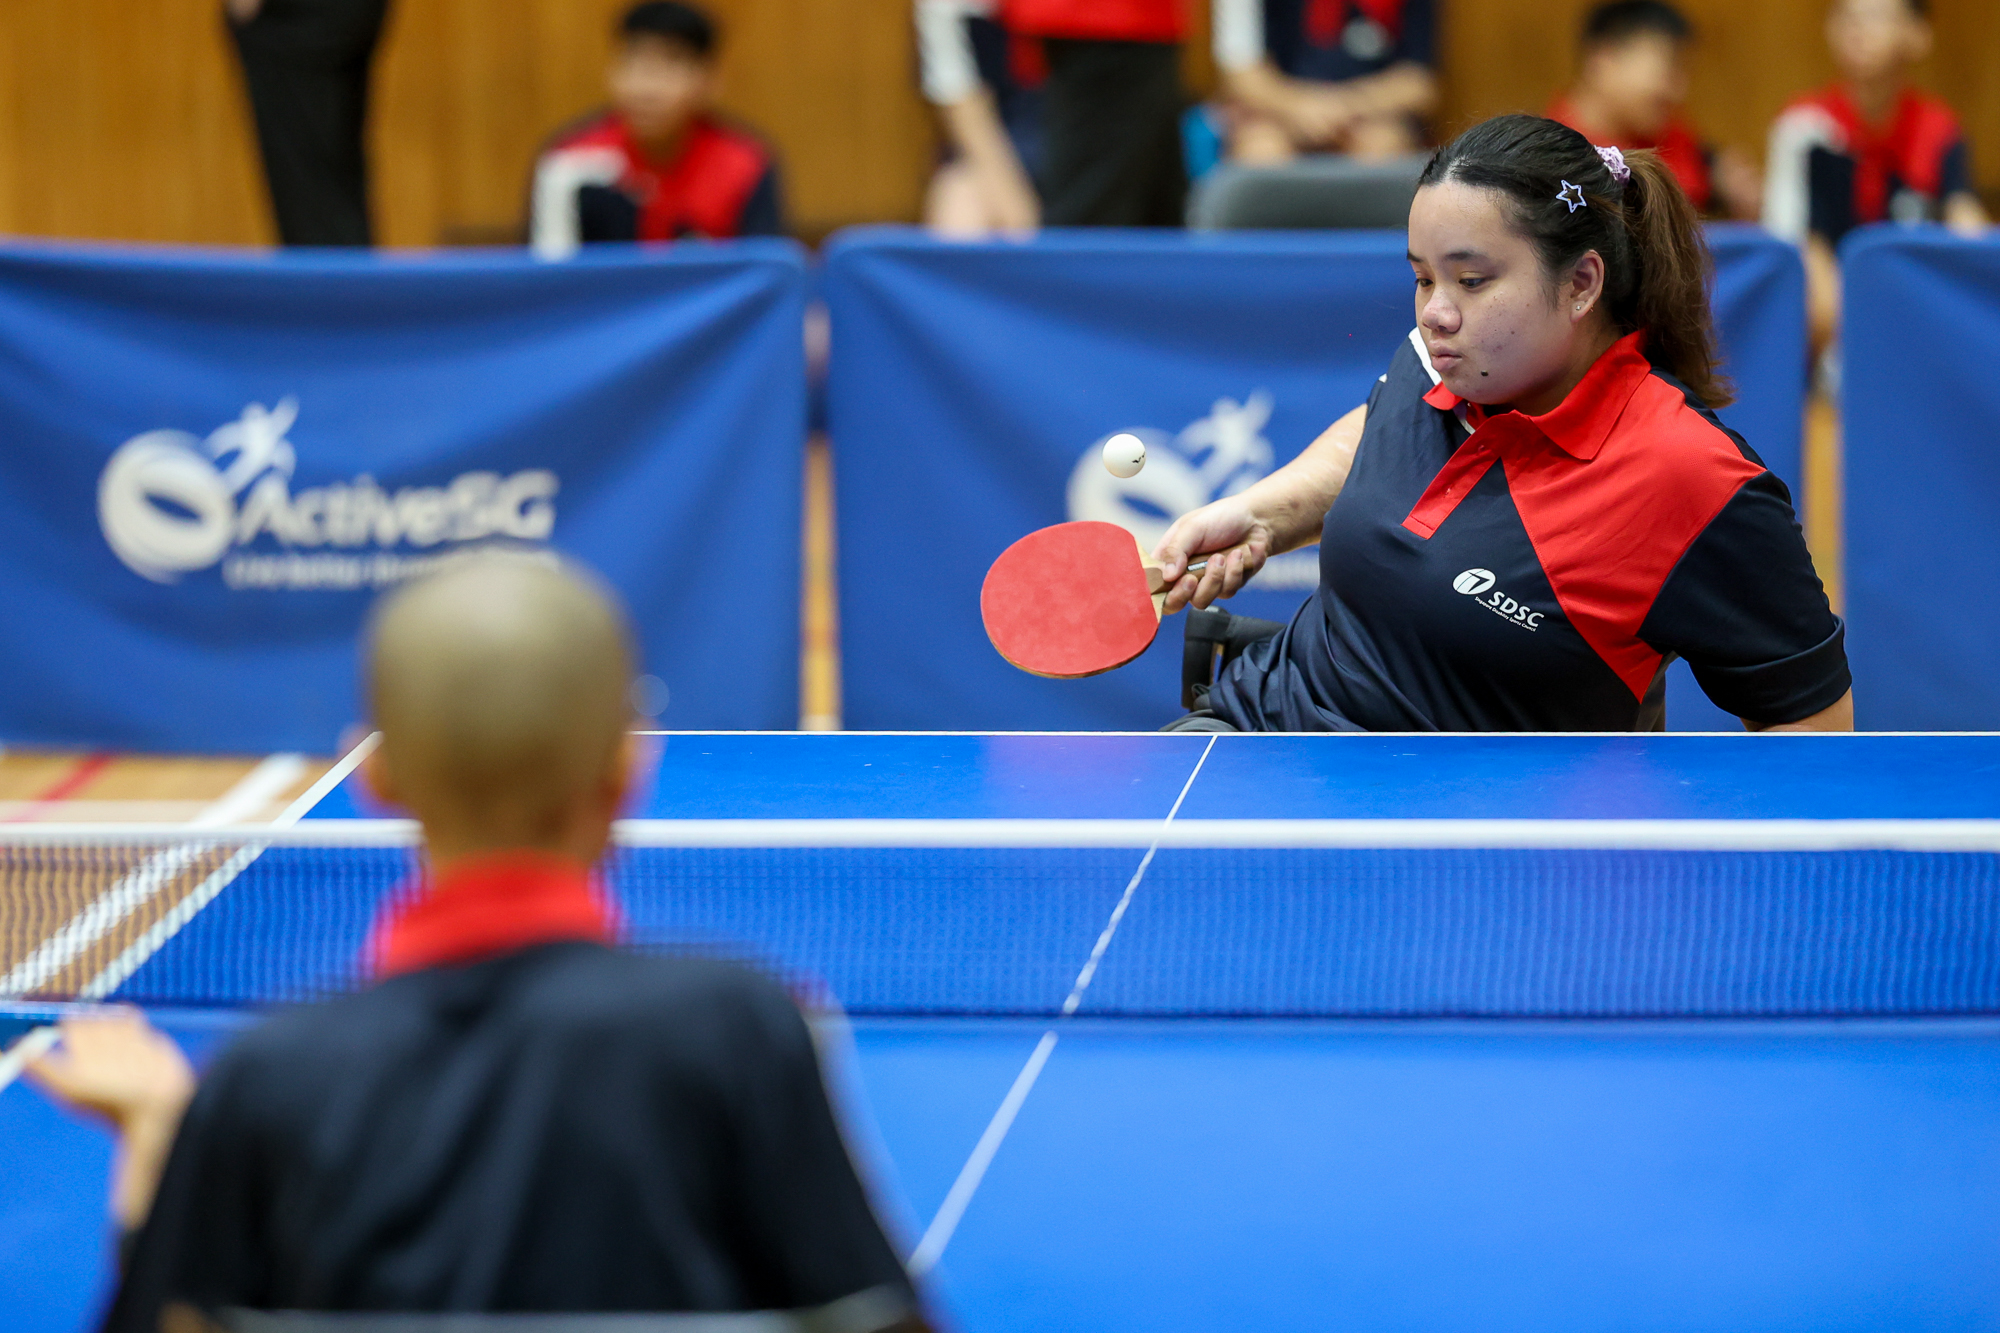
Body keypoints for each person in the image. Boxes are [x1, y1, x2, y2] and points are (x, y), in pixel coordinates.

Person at [40, 554, 922, 1329]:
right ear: (628, 768)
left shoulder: (269, 1076)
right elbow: (873, 1319)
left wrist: (158, 1132)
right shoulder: (736, 1030)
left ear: (375, 776)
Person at [1153, 114, 1853, 734]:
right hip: (1249, 735)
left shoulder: (1690, 476)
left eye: (1472, 280)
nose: (1434, 312)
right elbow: (1380, 432)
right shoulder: (1441, 359)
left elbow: (1809, 721)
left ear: (1581, 284)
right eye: (1424, 277)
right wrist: (1263, 514)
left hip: (1474, 853)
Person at [1764, 0, 1988, 358]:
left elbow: (1967, 231)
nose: (1857, 30)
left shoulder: (1940, 130)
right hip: (1828, 341)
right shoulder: (1804, 128)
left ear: (1918, 34)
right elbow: (1795, 251)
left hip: (1923, 326)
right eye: (1846, 16)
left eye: (1875, 16)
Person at [530, 2, 784, 259]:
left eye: (671, 64)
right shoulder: (568, 162)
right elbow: (546, 278)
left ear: (710, 79)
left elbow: (761, 277)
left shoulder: (745, 165)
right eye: (632, 61)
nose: (647, 88)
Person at [1546, 1, 1759, 220]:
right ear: (1603, 60)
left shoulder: (1678, 141)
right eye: (1667, 70)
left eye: (1684, 72)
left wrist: (1734, 196)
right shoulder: (1549, 157)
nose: (1678, 91)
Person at [225, 0, 391, 246]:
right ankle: (350, 280)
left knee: (313, 201)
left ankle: (332, 283)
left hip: (298, 15)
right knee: (334, 187)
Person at [1212, 0, 1438, 165]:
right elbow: (1240, 75)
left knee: (1382, 148)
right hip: (1276, 113)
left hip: (1368, 113)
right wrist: (1299, 106)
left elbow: (1419, 83)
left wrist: (1346, 106)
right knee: (1262, 152)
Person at [916, 0, 1044, 237]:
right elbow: (960, 98)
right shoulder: (954, 11)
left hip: (1074, 137)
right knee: (960, 218)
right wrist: (1010, 198)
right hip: (998, 143)